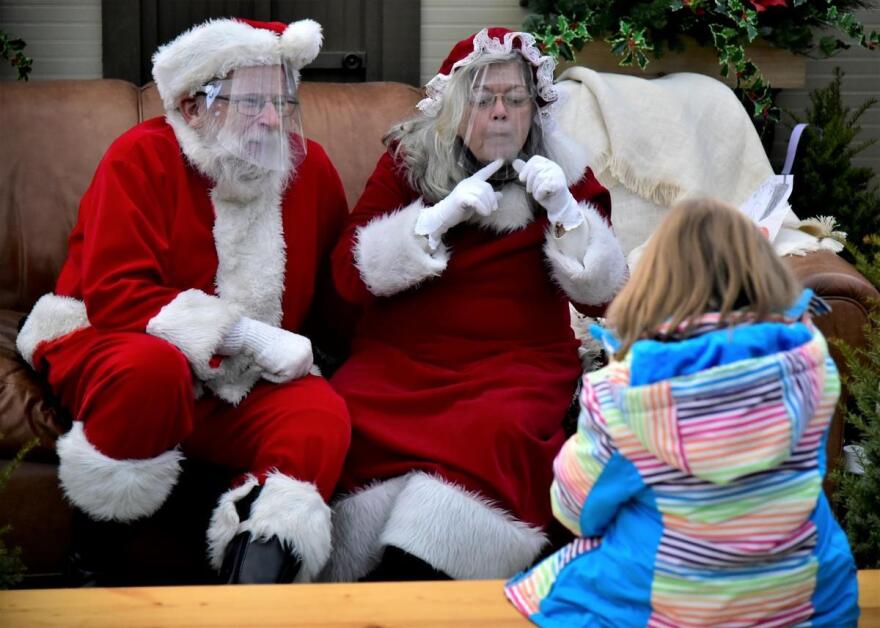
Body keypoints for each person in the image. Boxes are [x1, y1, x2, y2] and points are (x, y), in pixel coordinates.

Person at [15, 17, 351, 585]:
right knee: (154, 369)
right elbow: (118, 295)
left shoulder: (308, 167)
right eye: (251, 102)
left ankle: (251, 596)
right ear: (194, 107)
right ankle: (93, 571)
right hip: (110, 341)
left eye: (280, 100)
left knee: (321, 417)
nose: (272, 119)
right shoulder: (139, 157)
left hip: (237, 381)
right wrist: (249, 335)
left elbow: (341, 297)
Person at [324, 27, 628, 582]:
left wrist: (565, 211)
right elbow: (348, 274)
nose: (500, 113)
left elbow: (607, 296)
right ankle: (358, 570)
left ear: (536, 108)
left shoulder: (564, 172)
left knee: (497, 431)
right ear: (455, 106)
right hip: (400, 360)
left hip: (517, 364)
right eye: (483, 99)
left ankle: (420, 571)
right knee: (343, 414)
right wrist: (431, 222)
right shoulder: (409, 163)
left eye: (515, 99)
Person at [504, 198, 859, 626]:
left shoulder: (628, 392)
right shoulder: (808, 365)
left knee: (569, 576)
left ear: (656, 282)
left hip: (670, 610)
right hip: (810, 601)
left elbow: (577, 509)